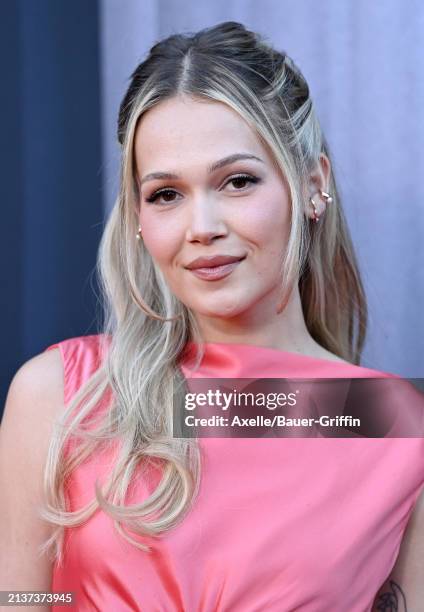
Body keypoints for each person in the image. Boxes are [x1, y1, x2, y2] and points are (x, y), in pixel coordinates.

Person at [1, 20, 423, 612]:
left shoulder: (391, 420)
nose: (202, 228)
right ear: (139, 218)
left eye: (237, 181)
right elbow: (19, 599)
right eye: (166, 194)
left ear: (312, 185)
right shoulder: (60, 394)